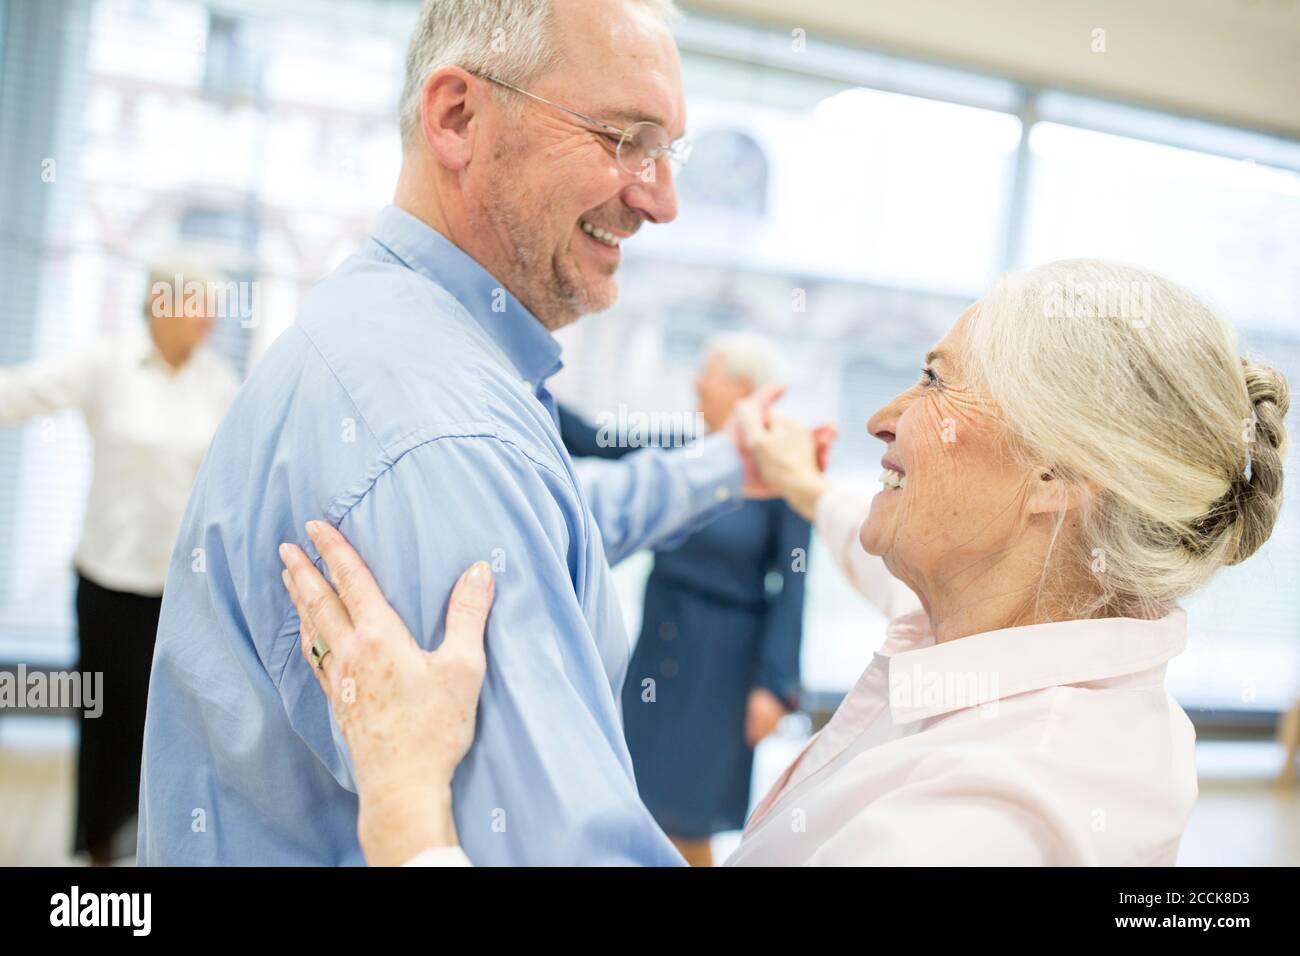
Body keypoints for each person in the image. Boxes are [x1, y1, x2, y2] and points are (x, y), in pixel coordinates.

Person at [280, 259, 1289, 866]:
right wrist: (788, 480)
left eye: (935, 381)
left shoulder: (973, 826)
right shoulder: (1050, 621)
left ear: (1059, 475)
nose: (880, 416)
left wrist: (408, 798)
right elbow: (860, 532)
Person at [136, 0, 825, 866]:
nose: (663, 200)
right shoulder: (443, 442)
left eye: (667, 150)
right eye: (626, 139)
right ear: (457, 117)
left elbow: (558, 518)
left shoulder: (407, 340)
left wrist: (729, 463)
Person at [0, 256, 238, 864]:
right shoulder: (108, 365)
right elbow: (21, 392)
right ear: (164, 306)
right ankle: (95, 849)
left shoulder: (220, 386)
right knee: (99, 717)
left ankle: (146, 851)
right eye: (199, 304)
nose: (209, 318)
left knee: (156, 729)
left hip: (176, 595)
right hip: (104, 582)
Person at [620, 333, 810, 866]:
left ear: (744, 389)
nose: (696, 381)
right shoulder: (686, 442)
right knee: (634, 801)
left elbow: (794, 583)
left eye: (710, 372)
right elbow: (595, 441)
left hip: (723, 662)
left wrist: (775, 685)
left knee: (689, 814)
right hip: (660, 643)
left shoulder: (778, 461)